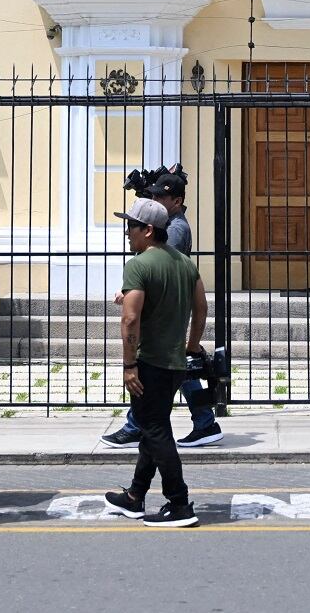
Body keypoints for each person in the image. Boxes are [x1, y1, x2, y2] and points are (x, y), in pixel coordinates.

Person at [103, 197, 207, 528]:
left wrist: (129, 365)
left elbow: (129, 319)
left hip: (148, 363)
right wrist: (191, 346)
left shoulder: (139, 265)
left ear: (148, 230)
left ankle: (179, 503)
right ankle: (134, 496)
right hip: (175, 363)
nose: (126, 233)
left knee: (156, 429)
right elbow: (202, 307)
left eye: (130, 226)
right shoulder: (185, 264)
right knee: (153, 426)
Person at [102, 169, 223, 448]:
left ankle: (138, 426)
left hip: (164, 312)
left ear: (177, 200)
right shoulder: (170, 223)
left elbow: (164, 267)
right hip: (165, 310)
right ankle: (203, 421)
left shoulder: (175, 230)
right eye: (153, 194)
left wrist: (135, 289)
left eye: (161, 195)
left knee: (159, 366)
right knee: (175, 368)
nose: (155, 198)